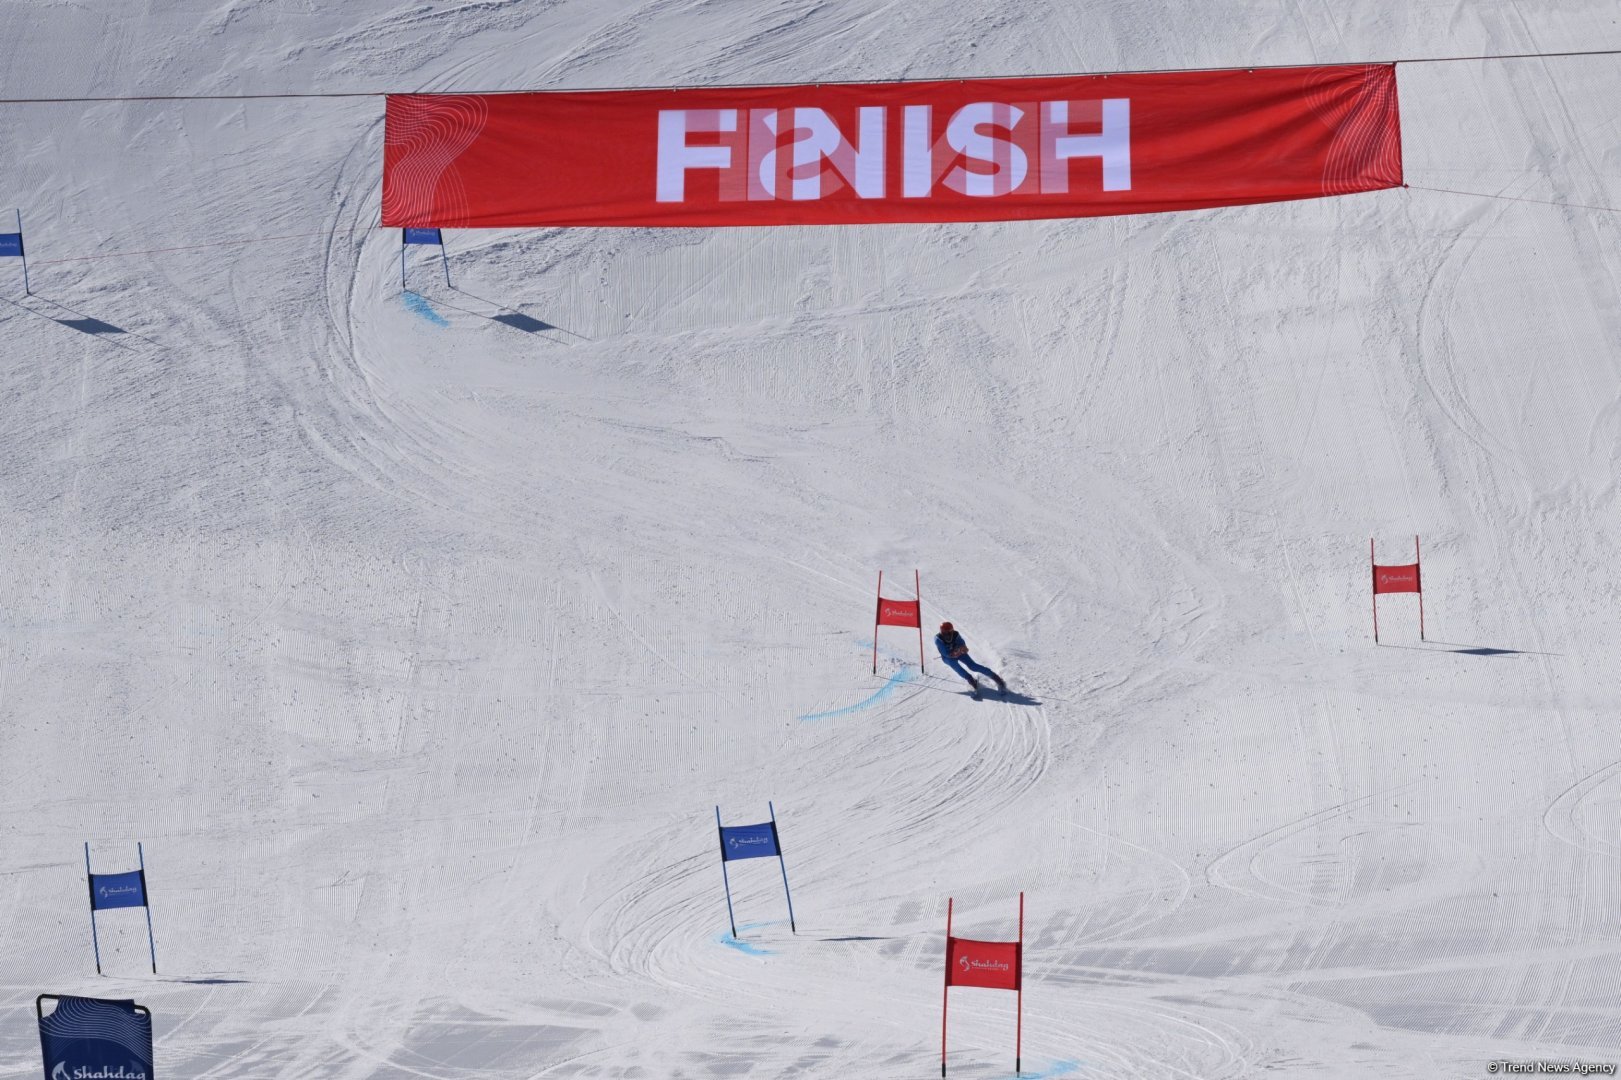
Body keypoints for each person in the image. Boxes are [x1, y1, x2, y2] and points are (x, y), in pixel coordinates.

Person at [935, 621, 1007, 699]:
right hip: (948, 657)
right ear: (941, 632)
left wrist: (962, 648)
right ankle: (970, 680)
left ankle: (995, 677)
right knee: (957, 668)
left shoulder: (956, 635)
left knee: (973, 666)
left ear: (952, 631)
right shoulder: (938, 639)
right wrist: (954, 653)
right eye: (945, 633)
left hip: (959, 652)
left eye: (949, 633)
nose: (947, 635)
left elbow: (962, 644)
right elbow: (945, 653)